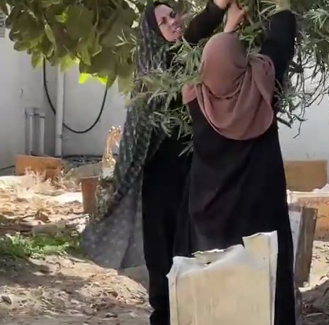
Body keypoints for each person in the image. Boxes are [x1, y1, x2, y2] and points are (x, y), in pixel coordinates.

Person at [80, 1, 230, 325]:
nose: (173, 22)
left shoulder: (192, 57)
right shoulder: (154, 70)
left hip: (194, 172)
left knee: (194, 245)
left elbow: (200, 37)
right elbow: (139, 133)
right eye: (163, 21)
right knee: (162, 251)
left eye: (173, 15)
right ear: (153, 33)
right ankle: (164, 315)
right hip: (160, 179)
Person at [178, 2, 297, 325]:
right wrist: (282, 8)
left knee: (217, 288)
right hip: (260, 216)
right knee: (264, 286)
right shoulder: (261, 89)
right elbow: (280, 46)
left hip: (211, 218)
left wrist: (225, 25)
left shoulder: (195, 99)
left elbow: (192, 55)